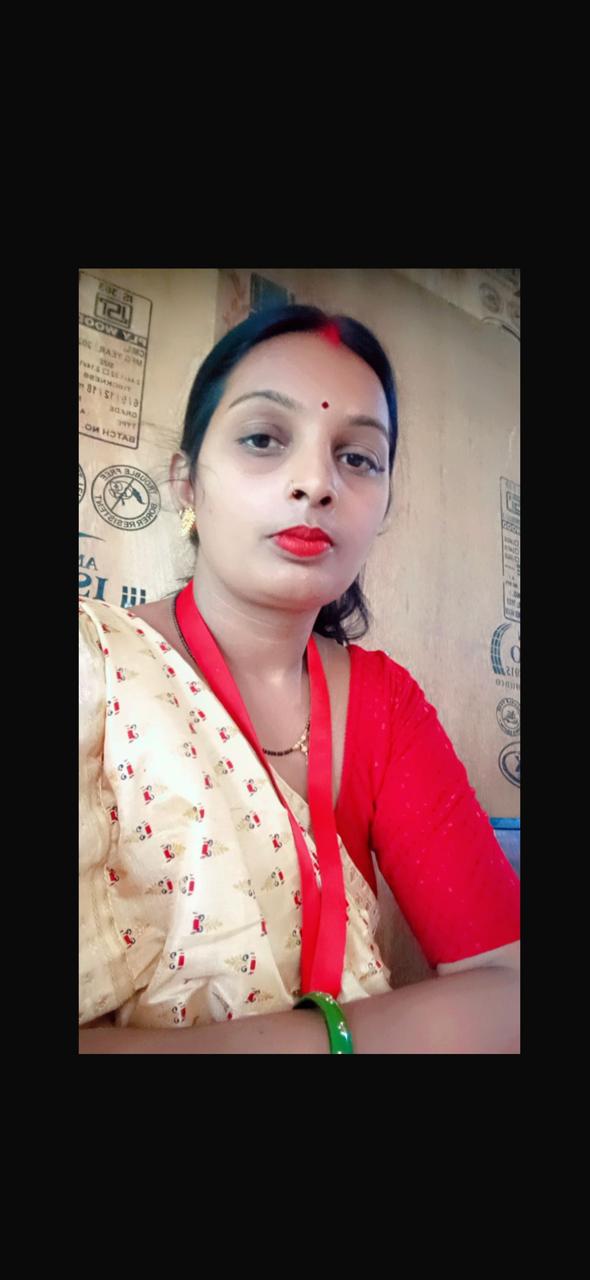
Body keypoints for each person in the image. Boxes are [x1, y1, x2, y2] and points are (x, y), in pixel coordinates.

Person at [79, 304, 520, 1054]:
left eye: (358, 458)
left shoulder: (385, 704)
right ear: (186, 484)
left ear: (382, 506)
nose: (316, 482)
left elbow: (509, 983)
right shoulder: (94, 663)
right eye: (263, 439)